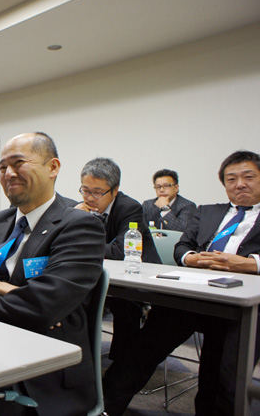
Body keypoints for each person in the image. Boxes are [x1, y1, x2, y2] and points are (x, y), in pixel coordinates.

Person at [0, 132, 104, 415]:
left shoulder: (79, 225)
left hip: (41, 372)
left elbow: (41, 307)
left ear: (53, 167)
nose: (8, 174)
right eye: (2, 167)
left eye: (18, 163)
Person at [103, 150, 260, 415]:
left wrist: (250, 264)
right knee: (140, 351)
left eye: (248, 177)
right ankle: (104, 407)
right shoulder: (208, 212)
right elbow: (182, 247)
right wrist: (191, 258)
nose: (240, 184)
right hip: (194, 295)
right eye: (231, 179)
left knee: (223, 375)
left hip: (244, 306)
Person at [75, 158, 161, 362]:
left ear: (114, 190)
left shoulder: (129, 207)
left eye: (97, 192)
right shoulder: (80, 208)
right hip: (104, 272)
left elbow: (119, 251)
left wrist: (83, 244)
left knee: (125, 302)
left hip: (139, 275)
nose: (89, 198)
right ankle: (80, 354)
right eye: (85, 190)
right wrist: (74, 218)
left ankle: (123, 361)